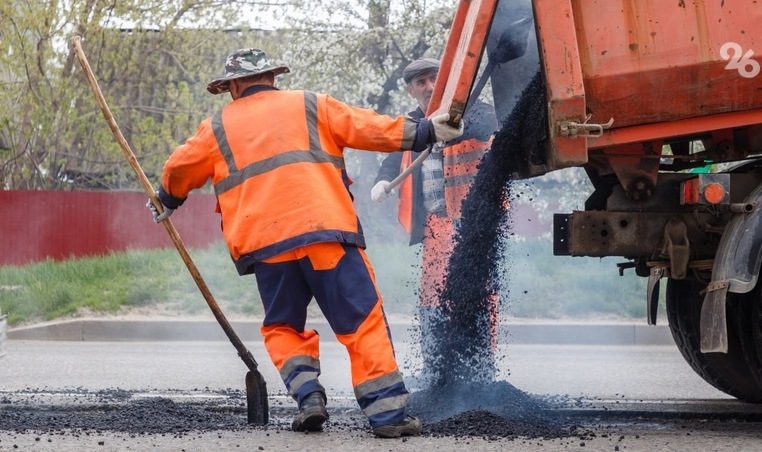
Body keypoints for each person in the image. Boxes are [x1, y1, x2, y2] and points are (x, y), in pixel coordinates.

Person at [146, 48, 462, 437]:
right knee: (361, 321)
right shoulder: (311, 104)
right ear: (272, 78)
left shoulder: (216, 127)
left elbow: (179, 169)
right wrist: (426, 131)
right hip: (324, 234)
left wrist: (168, 198)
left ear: (232, 87)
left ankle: (308, 397)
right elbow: (369, 127)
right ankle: (388, 416)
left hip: (266, 248)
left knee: (283, 325)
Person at [370, 58, 498, 381]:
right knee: (433, 296)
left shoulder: (471, 110)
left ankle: (481, 369)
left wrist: (454, 125)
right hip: (436, 224)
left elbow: (488, 125)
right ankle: (437, 369)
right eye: (420, 83)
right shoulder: (412, 125)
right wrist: (381, 182)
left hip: (472, 225)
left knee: (480, 294)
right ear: (410, 89)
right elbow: (391, 154)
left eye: (432, 80)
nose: (428, 87)